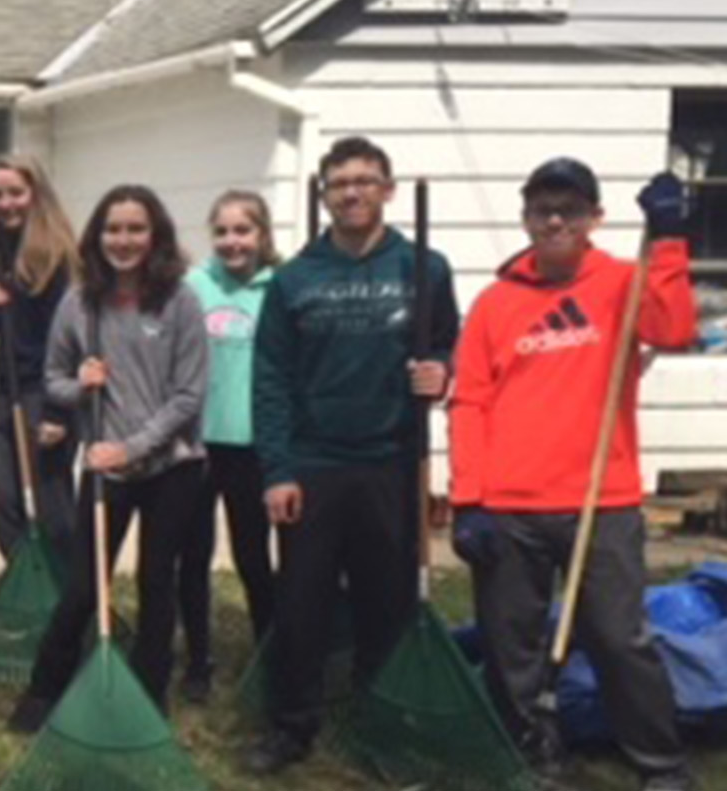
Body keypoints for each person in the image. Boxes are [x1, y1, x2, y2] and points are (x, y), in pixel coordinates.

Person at [450, 162, 697, 791]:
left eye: (569, 208)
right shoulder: (494, 303)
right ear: (526, 218)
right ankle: (535, 755)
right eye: (541, 209)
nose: (555, 220)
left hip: (601, 500)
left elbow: (673, 330)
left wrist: (668, 240)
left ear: (594, 216)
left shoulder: (620, 282)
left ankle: (660, 764)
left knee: (620, 640)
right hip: (508, 507)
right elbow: (470, 403)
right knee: (514, 649)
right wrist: (468, 499)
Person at [245, 136, 459, 774]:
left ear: (387, 189)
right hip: (313, 462)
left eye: (365, 181)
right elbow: (272, 378)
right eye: (340, 184)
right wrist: (277, 470)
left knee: (386, 601)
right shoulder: (295, 278)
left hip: (391, 460)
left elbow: (449, 342)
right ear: (324, 194)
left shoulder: (425, 268)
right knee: (301, 601)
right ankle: (293, 724)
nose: (353, 193)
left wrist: (440, 372)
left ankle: (380, 719)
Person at [7, 185, 209, 730]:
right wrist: (80, 385)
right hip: (103, 467)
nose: (123, 240)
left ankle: (147, 694)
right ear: (97, 237)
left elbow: (189, 395)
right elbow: (52, 379)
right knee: (82, 585)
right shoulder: (79, 303)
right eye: (113, 229)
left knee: (155, 582)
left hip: (172, 466)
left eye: (135, 229)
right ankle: (45, 689)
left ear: (156, 235)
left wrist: (133, 447)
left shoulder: (180, 302)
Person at [181, 190, 282, 703]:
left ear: (262, 235)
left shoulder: (279, 289)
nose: (231, 241)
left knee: (252, 554)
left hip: (251, 445)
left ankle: (270, 651)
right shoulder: (194, 286)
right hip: (197, 446)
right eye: (221, 231)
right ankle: (198, 660)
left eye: (242, 231)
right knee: (192, 555)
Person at [0, 153, 82, 562]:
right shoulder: (4, 247)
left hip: (46, 391)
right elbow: (11, 326)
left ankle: (74, 599)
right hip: (8, 386)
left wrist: (59, 411)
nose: (6, 203)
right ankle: (30, 579)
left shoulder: (56, 256)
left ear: (36, 195)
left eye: (16, 193)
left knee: (52, 504)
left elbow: (67, 339)